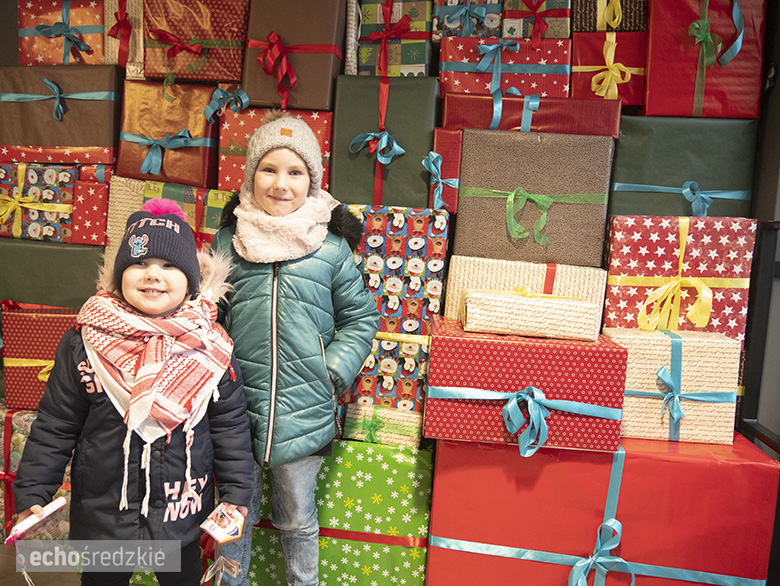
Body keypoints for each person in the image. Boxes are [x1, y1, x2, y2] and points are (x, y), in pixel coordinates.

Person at [12, 199, 255, 586]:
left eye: (169, 266)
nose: (152, 275)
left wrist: (237, 493)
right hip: (105, 508)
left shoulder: (212, 349)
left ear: (191, 279)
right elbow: (56, 424)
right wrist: (33, 494)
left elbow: (230, 429)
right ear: (119, 275)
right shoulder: (84, 342)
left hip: (182, 506)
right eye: (139, 263)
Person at [211, 111, 380, 586]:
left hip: (304, 409)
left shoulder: (329, 249)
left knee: (298, 516)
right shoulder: (230, 242)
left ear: (312, 181)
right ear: (249, 175)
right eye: (269, 169)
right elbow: (208, 316)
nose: (281, 183)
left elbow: (361, 317)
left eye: (295, 172)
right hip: (234, 409)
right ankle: (229, 580)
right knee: (232, 512)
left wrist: (329, 371)